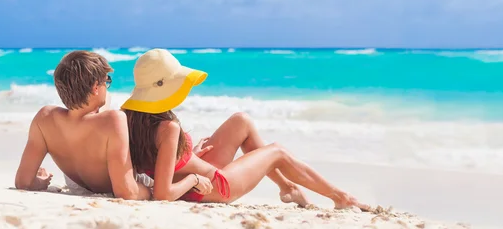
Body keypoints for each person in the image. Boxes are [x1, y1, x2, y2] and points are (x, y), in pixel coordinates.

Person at [121, 48, 371, 210]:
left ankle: (288, 188)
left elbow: (156, 160)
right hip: (214, 187)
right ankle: (341, 198)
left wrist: (186, 155)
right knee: (278, 152)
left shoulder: (129, 118)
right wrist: (193, 177)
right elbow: (163, 194)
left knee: (241, 120)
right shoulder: (168, 127)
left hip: (196, 177)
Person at [14, 50, 157, 199]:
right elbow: (126, 191)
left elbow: (23, 182)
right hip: (120, 183)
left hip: (78, 186)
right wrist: (151, 191)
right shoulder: (113, 120)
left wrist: (40, 182)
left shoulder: (44, 118)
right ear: (95, 87)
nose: (107, 86)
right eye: (106, 82)